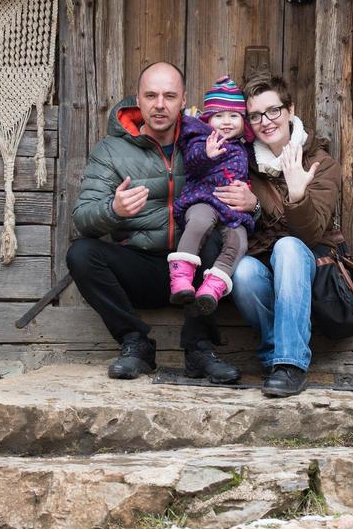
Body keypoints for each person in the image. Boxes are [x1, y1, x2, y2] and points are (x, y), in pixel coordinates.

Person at [67, 62, 250, 384]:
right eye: (151, 95)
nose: (160, 104)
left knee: (213, 239)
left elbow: (247, 195)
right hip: (141, 267)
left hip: (195, 271)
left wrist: (254, 204)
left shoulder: (209, 142)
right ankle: (135, 343)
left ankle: (199, 350)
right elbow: (83, 218)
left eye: (169, 95)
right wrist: (114, 209)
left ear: (183, 100)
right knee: (81, 253)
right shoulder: (111, 150)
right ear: (137, 100)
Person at [218, 74, 343, 398]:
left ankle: (292, 364)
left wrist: (298, 195)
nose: (266, 121)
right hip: (262, 262)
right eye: (256, 115)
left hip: (307, 263)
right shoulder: (242, 162)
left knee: (288, 246)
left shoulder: (320, 163)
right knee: (242, 271)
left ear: (290, 109)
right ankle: (276, 359)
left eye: (273, 111)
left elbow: (311, 233)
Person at [168, 75, 255, 315]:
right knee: (198, 223)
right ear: (208, 119)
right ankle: (181, 279)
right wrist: (206, 154)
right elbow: (192, 164)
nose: (226, 122)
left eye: (233, 116)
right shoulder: (201, 138)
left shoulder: (245, 148)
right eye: (219, 116)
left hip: (232, 210)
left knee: (239, 242)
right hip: (204, 198)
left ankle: (212, 287)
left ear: (243, 121)